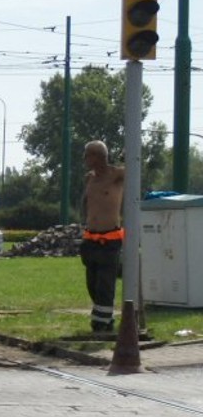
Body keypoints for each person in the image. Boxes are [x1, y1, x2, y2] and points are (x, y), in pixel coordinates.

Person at [80, 140, 124, 333]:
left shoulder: (117, 175)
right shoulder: (89, 178)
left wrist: (128, 153)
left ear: (100, 156)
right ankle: (103, 317)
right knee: (93, 284)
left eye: (88, 154)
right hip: (91, 240)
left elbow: (136, 170)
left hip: (110, 240)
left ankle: (102, 324)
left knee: (105, 284)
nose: (85, 158)